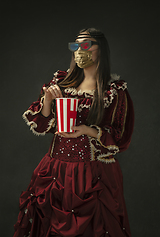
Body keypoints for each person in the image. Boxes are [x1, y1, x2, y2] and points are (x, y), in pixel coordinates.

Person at [13, 27, 134, 237]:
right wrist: (49, 101)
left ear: (101, 49)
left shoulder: (113, 91)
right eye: (76, 45)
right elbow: (42, 125)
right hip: (55, 170)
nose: (79, 50)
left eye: (86, 44)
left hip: (94, 174)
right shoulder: (61, 83)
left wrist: (87, 130)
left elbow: (120, 137)